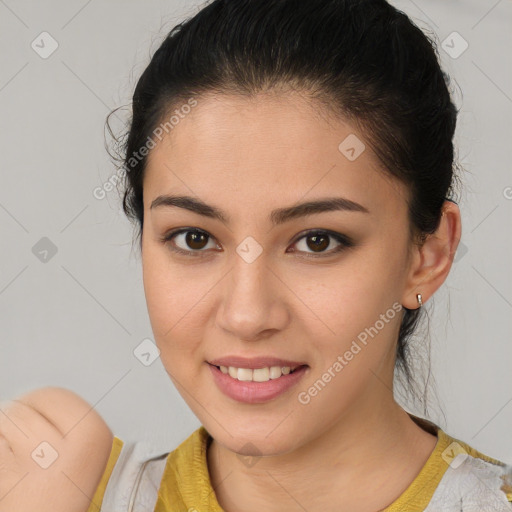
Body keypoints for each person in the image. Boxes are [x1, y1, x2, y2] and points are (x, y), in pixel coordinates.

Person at [1, 0, 511, 510]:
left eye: (317, 241)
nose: (246, 316)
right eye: (194, 239)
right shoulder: (54, 492)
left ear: (429, 254)